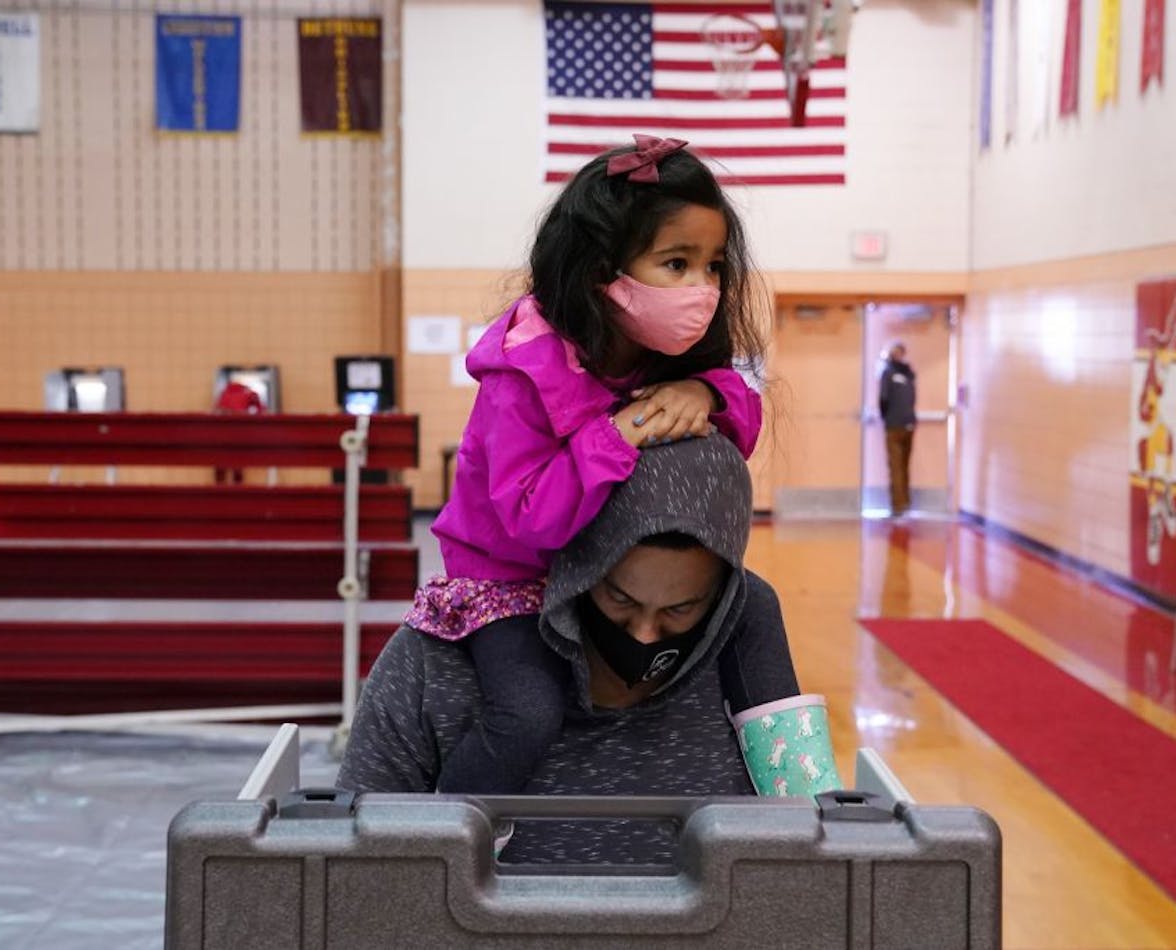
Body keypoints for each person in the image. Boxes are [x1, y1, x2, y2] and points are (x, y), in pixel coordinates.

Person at [405, 134, 796, 796]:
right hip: (512, 577)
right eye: (676, 264)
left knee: (755, 605)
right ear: (599, 269)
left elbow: (744, 416)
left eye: (712, 266)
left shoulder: (660, 348)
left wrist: (703, 392)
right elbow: (531, 518)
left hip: (599, 560)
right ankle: (456, 831)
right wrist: (621, 432)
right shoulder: (523, 372)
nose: (701, 288)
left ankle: (798, 802)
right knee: (524, 712)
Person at [338, 436, 838, 864]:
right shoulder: (435, 664)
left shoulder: (747, 640)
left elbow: (814, 859)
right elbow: (361, 877)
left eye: (680, 611)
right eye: (619, 599)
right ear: (575, 568)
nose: (643, 635)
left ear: (726, 595)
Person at [877, 342, 917, 516]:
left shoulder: (889, 373)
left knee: (897, 466)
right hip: (908, 422)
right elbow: (912, 398)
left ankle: (899, 506)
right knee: (902, 465)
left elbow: (883, 398)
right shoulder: (908, 374)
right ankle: (904, 503)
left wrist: (885, 416)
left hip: (895, 424)